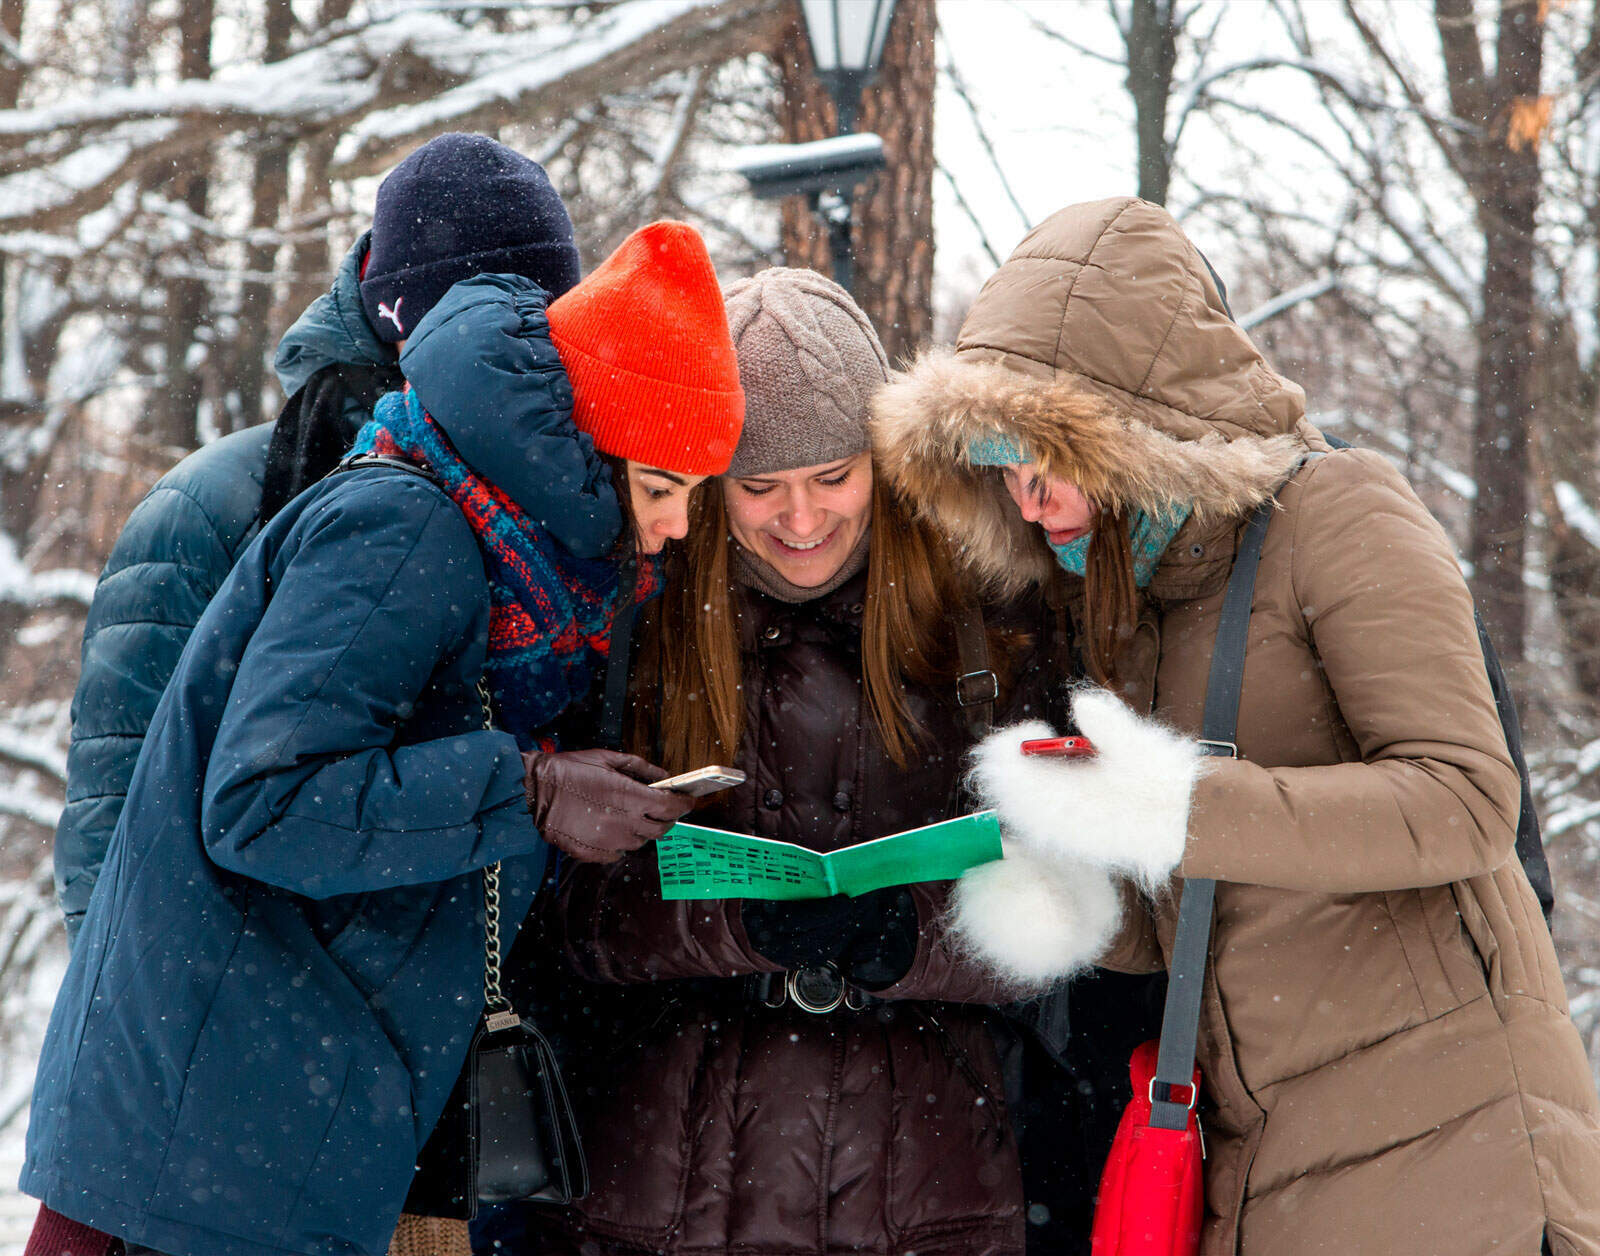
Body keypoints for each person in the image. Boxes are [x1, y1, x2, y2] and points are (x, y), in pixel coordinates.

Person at [871, 195, 1600, 1255]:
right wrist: (1064, 890)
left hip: (1453, 1140)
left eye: (1045, 462)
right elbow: (1199, 899)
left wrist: (1169, 801)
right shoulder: (1133, 607)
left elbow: (1468, 801)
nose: (1025, 503)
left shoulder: (1339, 509)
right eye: (1000, 472)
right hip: (1270, 1153)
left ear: (1134, 427)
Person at [20, 221, 743, 1256]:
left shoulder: (484, 536)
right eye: (663, 489)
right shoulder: (408, 527)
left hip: (249, 1121)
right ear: (587, 444)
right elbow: (262, 801)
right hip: (216, 1141)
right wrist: (529, 790)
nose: (671, 530)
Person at [523, 267, 1147, 1256]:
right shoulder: (635, 615)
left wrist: (913, 933)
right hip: (661, 1169)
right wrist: (732, 919)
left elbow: (1078, 902)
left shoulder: (994, 618)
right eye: (759, 486)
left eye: (832, 477)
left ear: (881, 465)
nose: (800, 520)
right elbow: (554, 911)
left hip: (925, 1170)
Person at [53, 131, 582, 949]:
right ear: (405, 325)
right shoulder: (213, 512)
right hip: (282, 1018)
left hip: (514, 1018)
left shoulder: (586, 500)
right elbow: (117, 836)